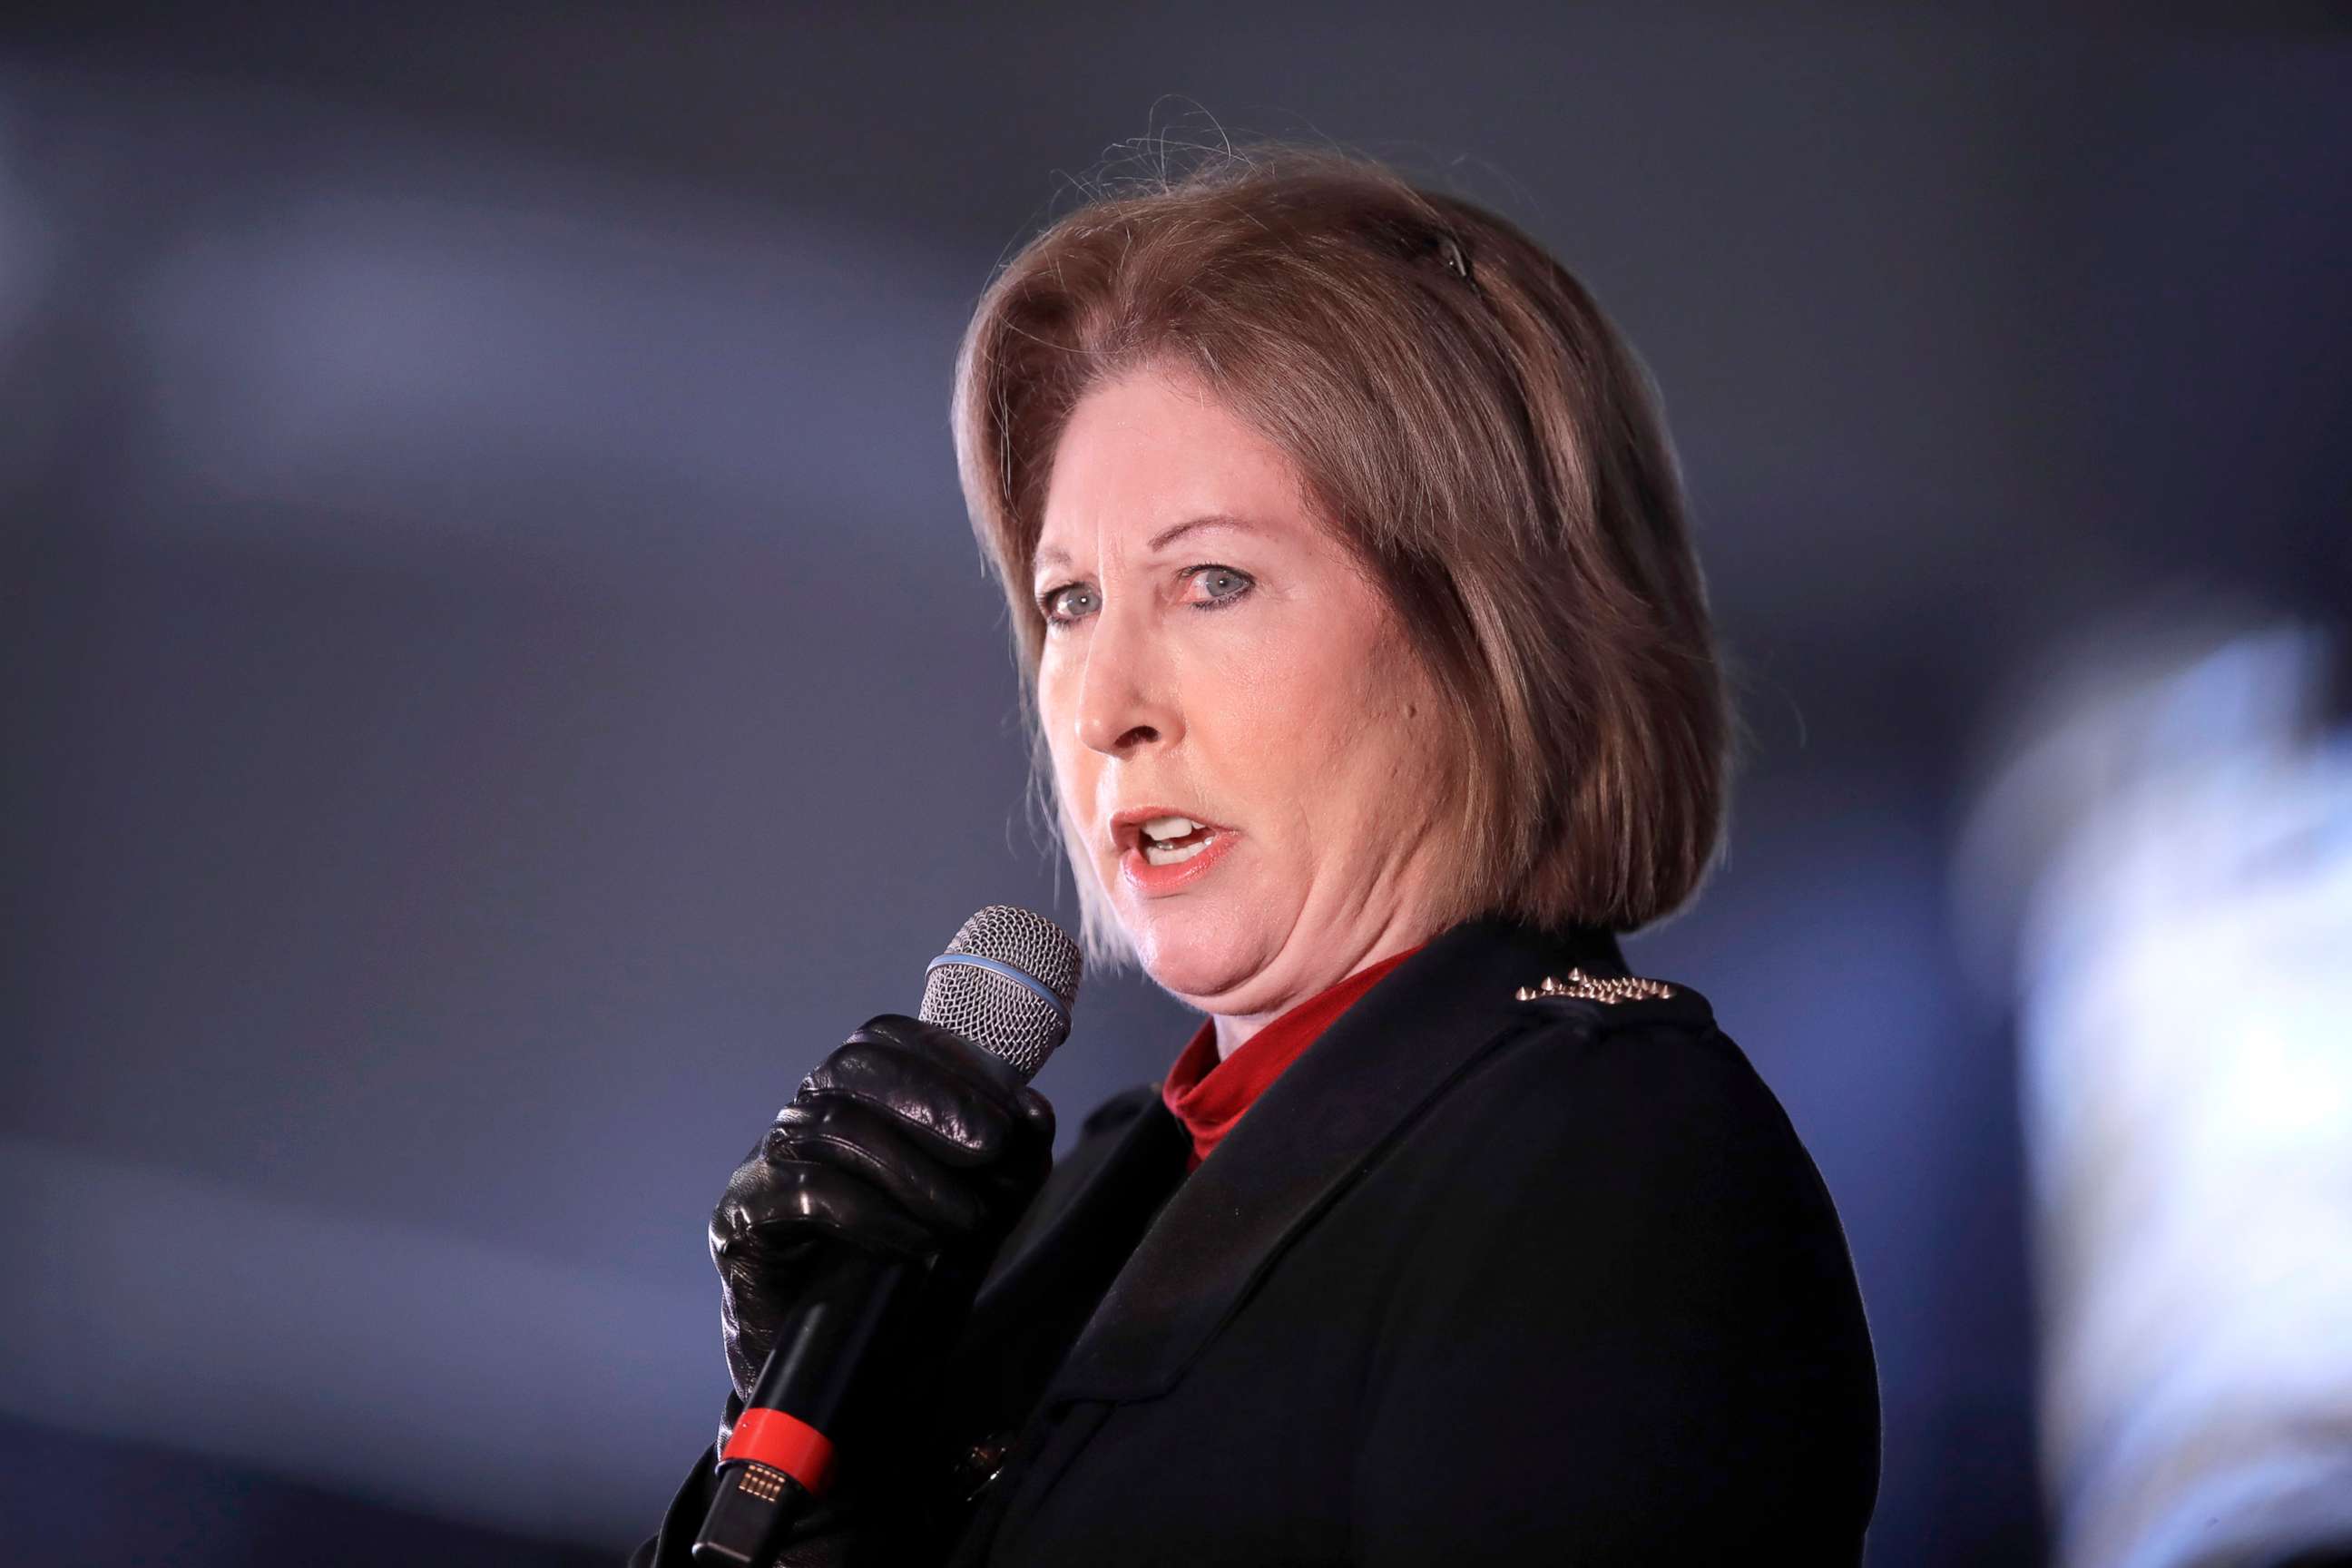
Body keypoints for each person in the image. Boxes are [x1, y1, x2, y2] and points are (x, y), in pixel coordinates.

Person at [632, 144, 1879, 1566]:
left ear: (1491, 640)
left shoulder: (1612, 1161)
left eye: (1212, 581)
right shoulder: (1093, 1194)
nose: (1106, 706)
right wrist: (802, 1423)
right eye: (1072, 600)